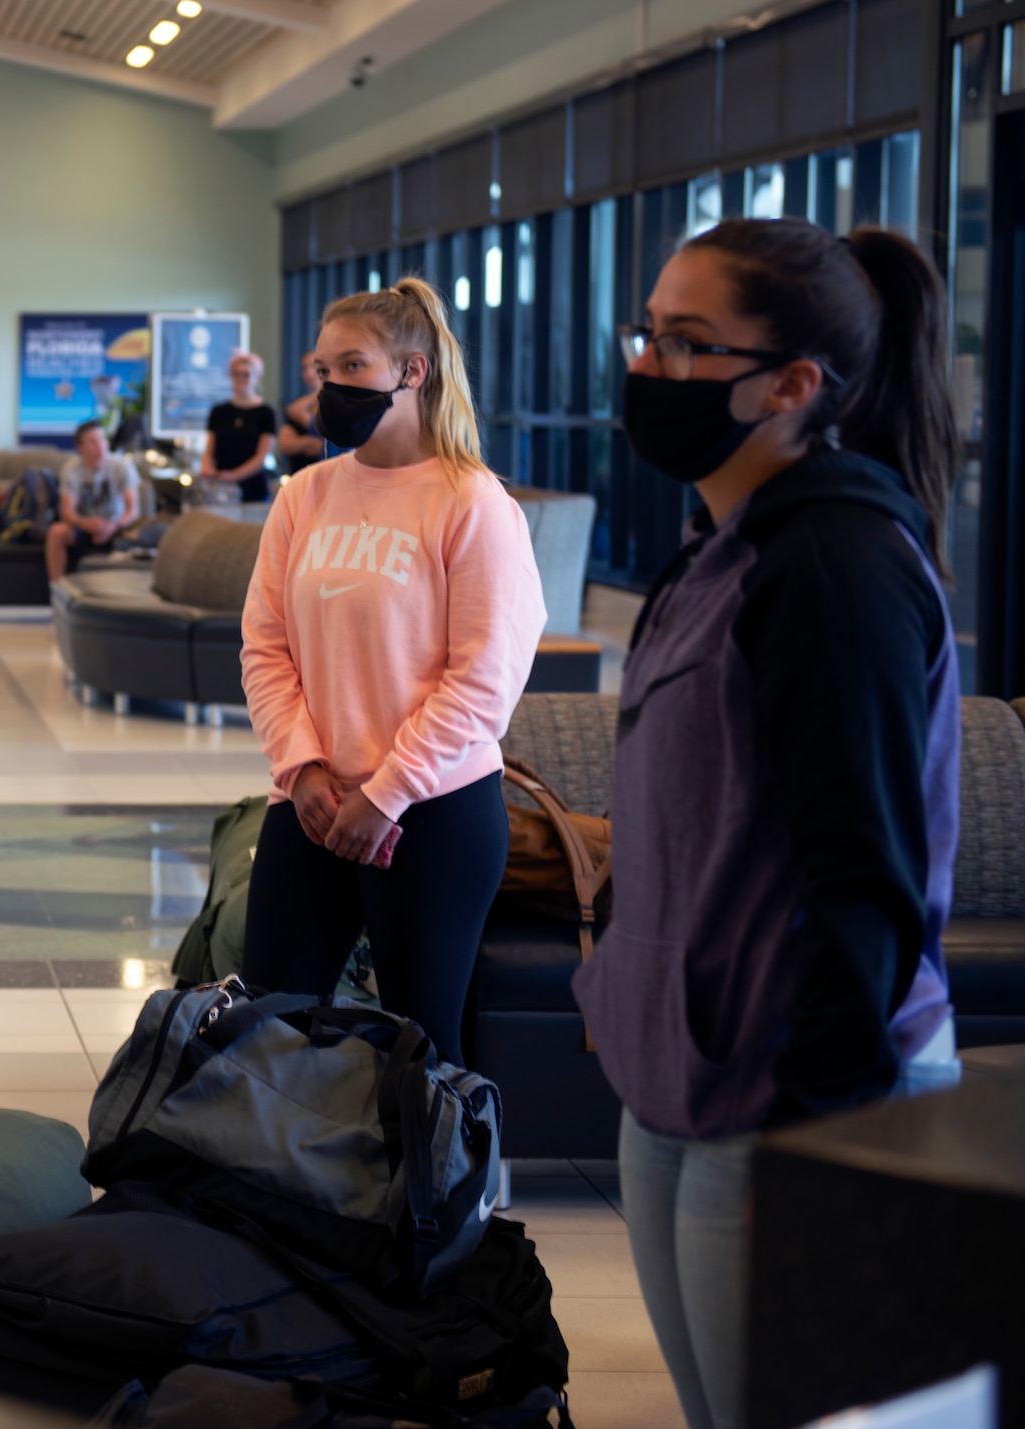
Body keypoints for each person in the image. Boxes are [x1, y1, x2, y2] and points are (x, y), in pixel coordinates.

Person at [573, 219, 962, 1429]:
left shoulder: (836, 564)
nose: (648, 366)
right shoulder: (711, 547)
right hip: (679, 1074)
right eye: (645, 331)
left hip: (795, 1095)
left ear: (794, 386)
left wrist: (816, 1145)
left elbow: (867, 872)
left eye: (687, 344)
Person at [237, 278, 547, 1066]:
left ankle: (436, 1194)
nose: (329, 388)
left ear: (412, 372)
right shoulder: (304, 495)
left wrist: (387, 792)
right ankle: (290, 1193)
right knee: (271, 1028)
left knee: (422, 1047)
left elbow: (484, 679)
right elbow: (265, 646)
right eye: (320, 370)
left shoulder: (472, 503)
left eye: (351, 365)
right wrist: (300, 765)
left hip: (431, 810)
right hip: (312, 801)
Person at [44, 418, 144, 582]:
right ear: (80, 448)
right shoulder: (71, 470)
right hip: (83, 525)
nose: (100, 446)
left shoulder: (122, 466)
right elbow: (67, 512)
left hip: (116, 525)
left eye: (102, 439)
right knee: (57, 532)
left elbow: (132, 511)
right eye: (92, 442)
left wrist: (113, 525)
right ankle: (57, 590)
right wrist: (86, 524)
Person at [201, 351, 279, 503]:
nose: (241, 379)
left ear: (257, 378)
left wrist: (234, 475)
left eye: (246, 374)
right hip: (222, 490)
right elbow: (209, 450)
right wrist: (207, 467)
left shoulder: (266, 413)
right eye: (236, 374)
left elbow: (261, 457)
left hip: (254, 490)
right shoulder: (219, 411)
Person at [277, 352, 325, 472]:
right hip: (299, 475)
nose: (308, 373)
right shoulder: (302, 403)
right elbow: (284, 445)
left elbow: (295, 411)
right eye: (304, 368)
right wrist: (307, 442)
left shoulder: (333, 406)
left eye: (313, 366)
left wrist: (323, 388)